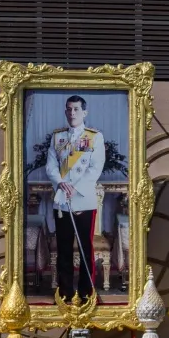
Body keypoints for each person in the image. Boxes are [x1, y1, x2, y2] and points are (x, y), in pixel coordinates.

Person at [43, 95, 105, 301]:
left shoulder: (95, 137)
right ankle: (66, 292)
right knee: (64, 248)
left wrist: (74, 188)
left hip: (83, 200)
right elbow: (50, 166)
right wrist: (61, 183)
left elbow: (95, 169)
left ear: (84, 112)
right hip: (62, 200)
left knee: (85, 247)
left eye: (76, 109)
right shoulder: (57, 138)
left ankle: (87, 292)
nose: (72, 113)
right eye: (69, 109)